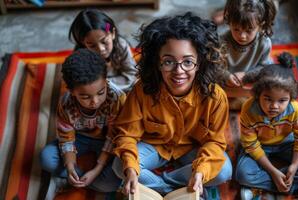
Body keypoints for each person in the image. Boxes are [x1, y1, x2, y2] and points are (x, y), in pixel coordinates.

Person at [111, 12, 233, 197]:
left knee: (223, 170)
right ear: (157, 63)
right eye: (168, 61)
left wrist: (200, 172)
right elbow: (126, 134)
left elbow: (214, 142)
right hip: (155, 147)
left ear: (200, 63)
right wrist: (131, 169)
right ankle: (176, 190)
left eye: (188, 62)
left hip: (192, 149)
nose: (178, 71)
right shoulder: (142, 90)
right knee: (120, 166)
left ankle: (160, 185)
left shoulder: (215, 97)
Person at [235, 52, 298, 200]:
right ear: (257, 94)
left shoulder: (295, 110)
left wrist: (293, 167)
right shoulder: (248, 109)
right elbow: (251, 144)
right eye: (267, 99)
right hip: (259, 145)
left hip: (286, 143)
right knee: (242, 174)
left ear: (290, 98)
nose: (274, 106)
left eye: (282, 100)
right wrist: (273, 171)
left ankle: (261, 186)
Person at [40, 49, 126, 192]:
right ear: (72, 91)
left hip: (108, 140)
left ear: (106, 81)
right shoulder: (66, 103)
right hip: (80, 138)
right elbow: (66, 138)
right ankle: (80, 179)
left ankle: (86, 180)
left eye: (101, 92)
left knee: (112, 180)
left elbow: (114, 136)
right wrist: (69, 166)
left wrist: (97, 169)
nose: (95, 101)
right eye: (85, 97)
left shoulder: (117, 99)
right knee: (46, 159)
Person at [221, 0, 277, 110]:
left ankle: (237, 101)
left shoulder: (264, 42)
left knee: (274, 79)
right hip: (228, 81)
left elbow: (264, 66)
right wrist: (227, 76)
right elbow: (215, 67)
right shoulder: (221, 41)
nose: (242, 36)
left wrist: (247, 75)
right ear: (229, 23)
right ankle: (241, 101)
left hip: (250, 80)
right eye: (236, 29)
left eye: (249, 30)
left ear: (260, 26)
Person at [68, 9, 137, 93]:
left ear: (112, 33)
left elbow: (131, 75)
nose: (101, 49)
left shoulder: (121, 46)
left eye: (104, 41)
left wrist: (104, 85)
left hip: (119, 87)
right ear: (83, 43)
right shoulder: (80, 56)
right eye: (92, 45)